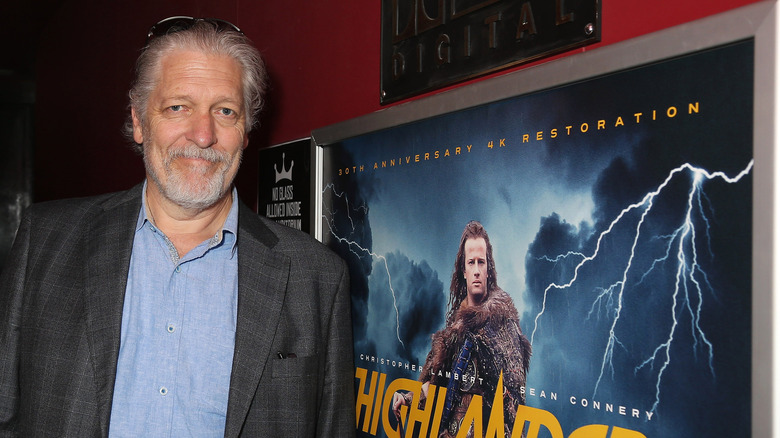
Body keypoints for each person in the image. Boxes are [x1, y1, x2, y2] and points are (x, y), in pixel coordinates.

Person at [0, 17, 355, 437]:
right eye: (177, 107)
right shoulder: (45, 241)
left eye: (225, 111)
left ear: (244, 133)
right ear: (138, 121)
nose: (203, 135)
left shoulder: (316, 277)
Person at [393, 221, 531, 437]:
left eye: (481, 263)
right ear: (463, 271)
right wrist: (407, 399)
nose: (476, 270)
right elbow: (437, 389)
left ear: (488, 270)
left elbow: (516, 406)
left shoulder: (504, 327)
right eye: (471, 263)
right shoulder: (455, 328)